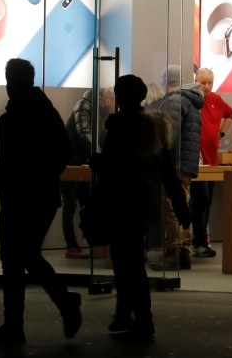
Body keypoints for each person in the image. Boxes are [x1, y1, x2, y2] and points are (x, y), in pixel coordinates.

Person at [91, 74, 191, 342]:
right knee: (133, 263)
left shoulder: (119, 126)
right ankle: (128, 316)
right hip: (144, 203)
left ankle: (139, 319)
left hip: (121, 203)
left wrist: (95, 162)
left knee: (126, 265)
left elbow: (111, 167)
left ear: (121, 98)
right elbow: (169, 174)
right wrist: (182, 209)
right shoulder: (155, 126)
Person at [0, 59, 81, 346]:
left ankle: (15, 324)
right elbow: (63, 153)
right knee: (28, 256)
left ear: (10, 82)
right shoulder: (49, 114)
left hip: (16, 198)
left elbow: (7, 164)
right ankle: (63, 302)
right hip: (43, 196)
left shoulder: (9, 121)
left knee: (13, 261)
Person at [146, 65, 204, 271]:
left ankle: (173, 251)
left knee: (171, 207)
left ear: (164, 81)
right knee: (182, 205)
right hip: (186, 161)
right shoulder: (191, 99)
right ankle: (184, 251)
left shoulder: (174, 100)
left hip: (175, 162)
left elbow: (168, 134)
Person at [62, 87, 113, 260]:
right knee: (70, 205)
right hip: (70, 162)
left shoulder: (99, 111)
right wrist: (100, 156)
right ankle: (72, 246)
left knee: (88, 202)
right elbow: (84, 132)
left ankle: (95, 244)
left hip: (84, 162)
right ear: (108, 102)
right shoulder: (84, 105)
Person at [190, 68, 232, 258]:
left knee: (205, 203)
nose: (206, 87)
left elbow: (230, 114)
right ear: (196, 81)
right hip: (195, 161)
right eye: (203, 83)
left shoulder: (216, 100)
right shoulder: (191, 100)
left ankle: (201, 241)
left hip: (213, 161)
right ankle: (197, 241)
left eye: (209, 83)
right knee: (199, 201)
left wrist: (222, 132)